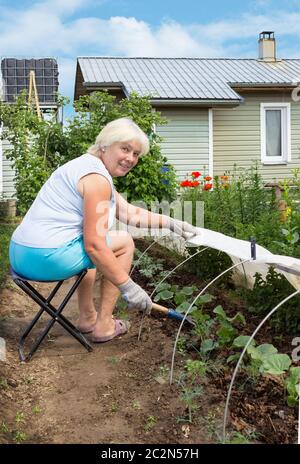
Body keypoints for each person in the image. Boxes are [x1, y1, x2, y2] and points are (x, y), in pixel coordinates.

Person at [9, 118, 197, 343]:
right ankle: (104, 325)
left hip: (21, 254)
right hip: (46, 259)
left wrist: (169, 222)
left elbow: (128, 212)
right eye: (125, 149)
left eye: (136, 154)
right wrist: (129, 287)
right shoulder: (97, 179)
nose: (130, 159)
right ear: (105, 145)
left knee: (92, 245)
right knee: (121, 243)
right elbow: (95, 245)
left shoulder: (86, 166)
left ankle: (88, 317)